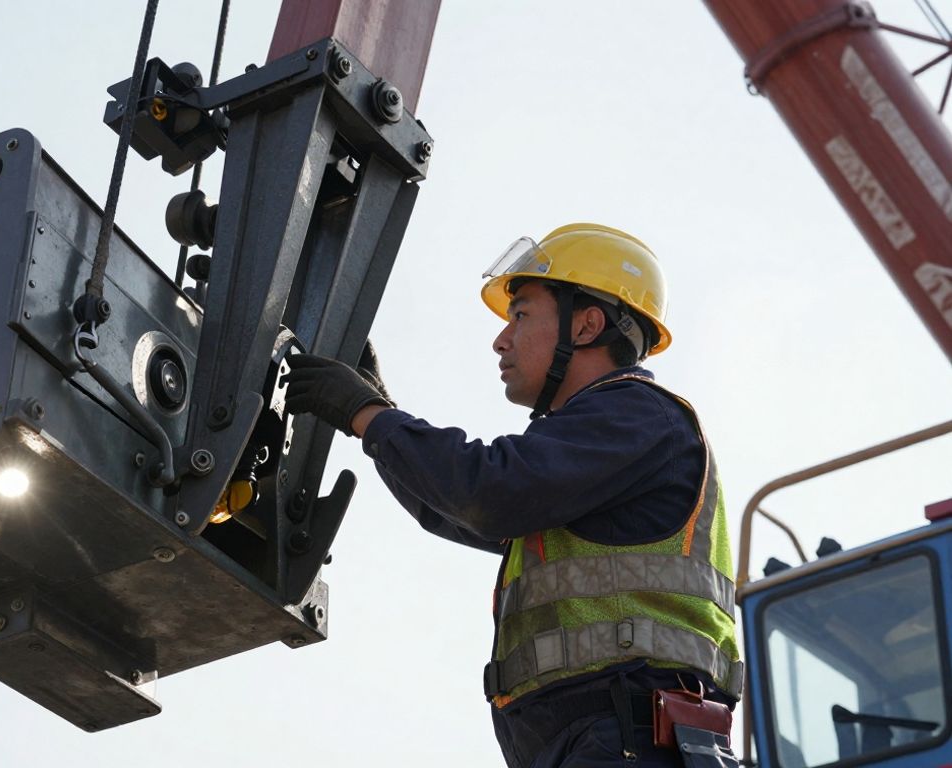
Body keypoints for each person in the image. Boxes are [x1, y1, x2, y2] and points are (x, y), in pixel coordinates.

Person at [284, 223, 743, 767]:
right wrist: (378, 417)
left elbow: (486, 491)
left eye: (521, 315)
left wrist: (369, 416)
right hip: (598, 740)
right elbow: (453, 509)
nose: (501, 340)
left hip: (629, 737)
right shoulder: (595, 452)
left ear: (588, 323)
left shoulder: (638, 415)